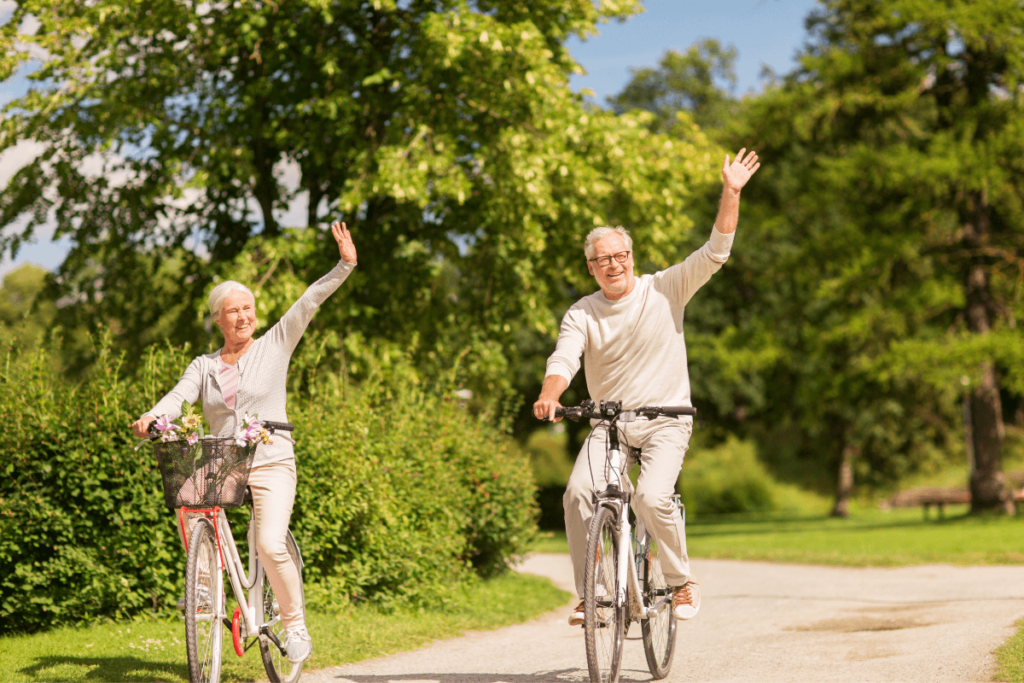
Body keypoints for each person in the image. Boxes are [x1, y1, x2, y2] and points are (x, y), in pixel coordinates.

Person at [533, 149, 760, 626]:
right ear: (590, 268)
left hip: (666, 421)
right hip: (610, 425)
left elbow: (716, 250)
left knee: (651, 497)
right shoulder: (582, 311)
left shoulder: (666, 288)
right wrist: (551, 393)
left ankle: (680, 581)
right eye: (602, 260)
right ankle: (591, 596)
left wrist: (731, 191)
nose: (613, 264)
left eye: (620, 256)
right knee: (576, 493)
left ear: (631, 258)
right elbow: (565, 357)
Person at [132, 221, 358, 664]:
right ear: (218, 318)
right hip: (224, 462)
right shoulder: (204, 365)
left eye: (248, 308)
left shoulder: (275, 343)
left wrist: (344, 265)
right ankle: (205, 586)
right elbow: (178, 398)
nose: (243, 316)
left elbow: (308, 301)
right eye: (233, 310)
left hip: (273, 459)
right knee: (187, 501)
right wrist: (153, 417)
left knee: (270, 544)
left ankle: (295, 625)